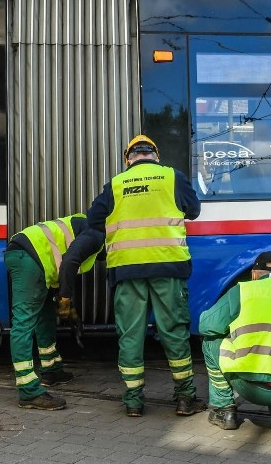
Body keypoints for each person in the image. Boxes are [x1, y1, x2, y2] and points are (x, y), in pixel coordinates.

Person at [87, 134, 204, 417]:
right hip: (168, 267)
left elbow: (93, 219)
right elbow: (194, 211)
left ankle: (133, 402)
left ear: (128, 159)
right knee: (174, 332)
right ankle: (185, 399)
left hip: (127, 270)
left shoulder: (115, 184)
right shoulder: (171, 177)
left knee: (130, 335)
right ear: (156, 155)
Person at [199, 252, 271, 434]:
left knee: (210, 341)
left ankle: (224, 410)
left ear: (254, 274)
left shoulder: (243, 291)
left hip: (253, 388)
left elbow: (207, 326)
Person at [4, 213, 104, 410]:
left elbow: (62, 260)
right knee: (23, 322)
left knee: (46, 316)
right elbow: (69, 261)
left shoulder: (88, 224)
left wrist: (62, 298)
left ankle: (52, 370)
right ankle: (28, 391)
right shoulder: (98, 233)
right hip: (28, 258)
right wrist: (65, 300)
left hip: (32, 257)